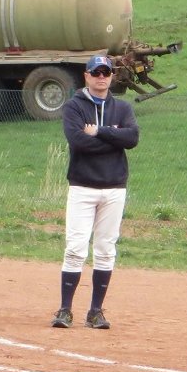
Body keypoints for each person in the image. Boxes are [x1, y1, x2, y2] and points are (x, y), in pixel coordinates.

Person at [51, 54, 139, 330]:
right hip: (83, 187)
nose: (102, 76)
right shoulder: (74, 107)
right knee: (76, 248)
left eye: (107, 72)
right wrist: (114, 137)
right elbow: (78, 143)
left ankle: (95, 312)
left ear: (112, 76)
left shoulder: (122, 108)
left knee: (105, 250)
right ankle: (65, 310)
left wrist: (99, 132)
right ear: (86, 76)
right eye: (96, 72)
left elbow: (132, 138)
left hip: (114, 188)